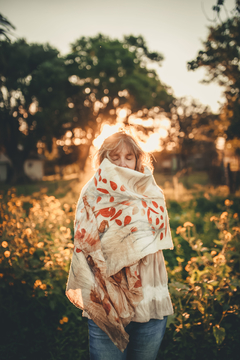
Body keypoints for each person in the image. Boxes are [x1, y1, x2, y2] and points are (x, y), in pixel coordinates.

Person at [66, 131, 174, 360]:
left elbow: (157, 234)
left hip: (150, 299)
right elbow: (84, 245)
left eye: (128, 157)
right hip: (107, 299)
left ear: (137, 159)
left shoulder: (150, 191)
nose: (122, 163)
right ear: (104, 159)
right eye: (114, 157)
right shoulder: (92, 192)